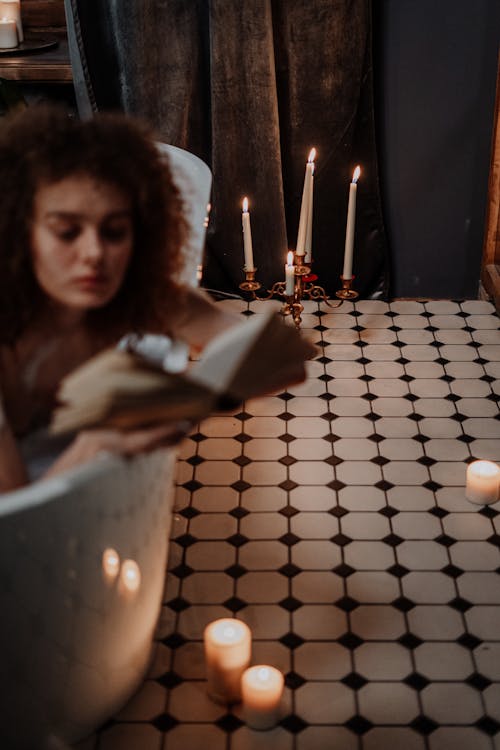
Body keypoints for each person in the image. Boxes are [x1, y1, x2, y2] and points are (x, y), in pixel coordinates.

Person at [0, 105, 312, 493]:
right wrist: (97, 444)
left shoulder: (141, 296)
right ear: (20, 233)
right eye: (66, 232)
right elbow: (15, 518)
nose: (95, 253)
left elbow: (282, 364)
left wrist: (186, 402)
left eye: (114, 232)